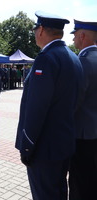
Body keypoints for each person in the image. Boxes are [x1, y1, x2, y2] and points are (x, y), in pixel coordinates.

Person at [15, 11, 83, 200]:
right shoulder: (73, 57)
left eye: (35, 28)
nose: (35, 33)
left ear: (42, 30)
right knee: (59, 193)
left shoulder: (46, 58)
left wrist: (26, 146)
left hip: (43, 149)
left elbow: (36, 108)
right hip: (63, 144)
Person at [69, 20, 97, 200]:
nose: (72, 39)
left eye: (74, 34)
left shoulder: (82, 62)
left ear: (82, 35)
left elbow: (73, 103)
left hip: (83, 136)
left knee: (80, 185)